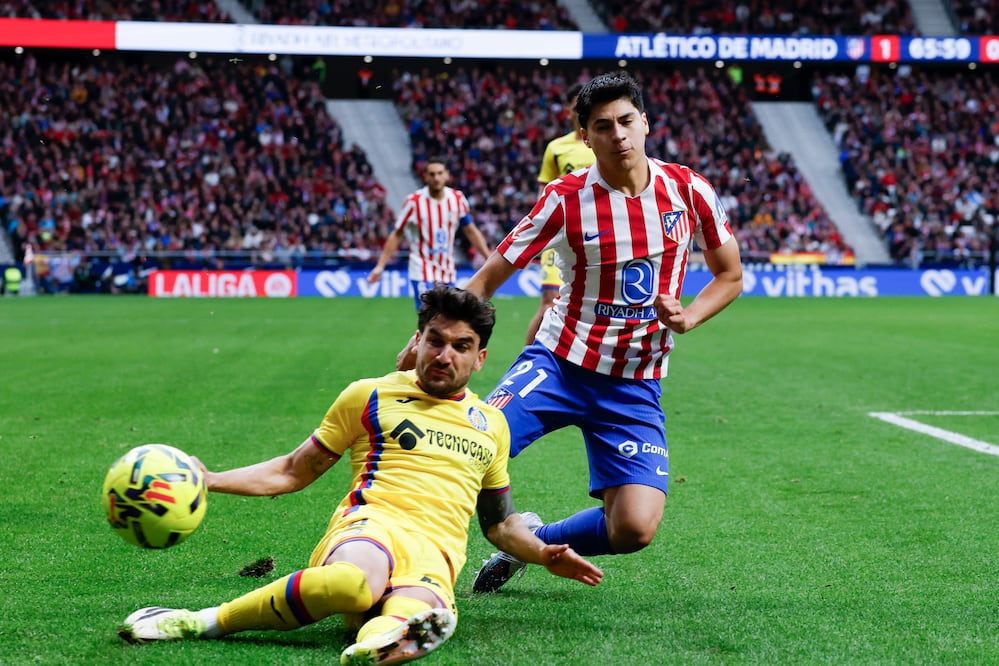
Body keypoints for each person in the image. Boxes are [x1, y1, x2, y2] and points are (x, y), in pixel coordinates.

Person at [117, 284, 603, 665]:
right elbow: (292, 470)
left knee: (412, 615)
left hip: (435, 552)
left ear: (479, 358)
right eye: (435, 340)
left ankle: (372, 648)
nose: (444, 355)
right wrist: (210, 478)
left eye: (461, 346)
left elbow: (499, 524)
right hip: (371, 528)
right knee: (355, 584)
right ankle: (202, 622)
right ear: (417, 341)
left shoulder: (491, 424)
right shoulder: (369, 395)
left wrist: (541, 553)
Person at [461, 71, 744, 592]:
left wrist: (689, 315)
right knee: (469, 443)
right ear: (584, 137)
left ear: (645, 123)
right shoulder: (564, 198)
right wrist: (428, 331)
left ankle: (533, 539)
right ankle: (410, 565)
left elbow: (730, 274)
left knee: (633, 528)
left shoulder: (689, 189)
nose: (618, 134)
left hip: (635, 382)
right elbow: (486, 279)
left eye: (626, 121)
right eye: (602, 126)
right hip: (558, 362)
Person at [367, 157, 492, 310]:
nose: (436, 178)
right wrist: (380, 266)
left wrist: (488, 258)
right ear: (425, 176)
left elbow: (470, 230)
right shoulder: (414, 202)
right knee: (429, 318)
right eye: (432, 174)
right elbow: (397, 234)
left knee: (447, 319)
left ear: (447, 175)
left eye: (440, 173)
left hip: (447, 271)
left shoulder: (457, 199)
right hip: (421, 269)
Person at [524, 82, 595, 346]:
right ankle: (525, 360)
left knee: (591, 308)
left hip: (596, 234)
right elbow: (544, 192)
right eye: (576, 106)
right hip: (560, 234)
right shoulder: (556, 147)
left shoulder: (601, 143)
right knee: (548, 304)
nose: (581, 111)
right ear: (568, 111)